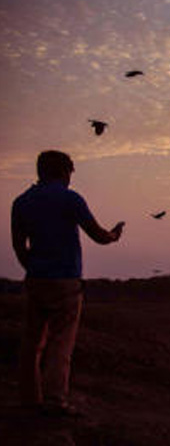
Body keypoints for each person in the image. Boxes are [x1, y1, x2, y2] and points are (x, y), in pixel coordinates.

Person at [11, 150, 124, 415]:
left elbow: (18, 247)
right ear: (63, 171)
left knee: (32, 343)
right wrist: (114, 234)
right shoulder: (70, 199)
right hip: (66, 282)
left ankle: (29, 400)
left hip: (37, 279)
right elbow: (97, 235)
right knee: (61, 342)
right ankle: (54, 400)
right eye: (70, 171)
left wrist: (35, 269)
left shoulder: (21, 202)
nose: (71, 177)